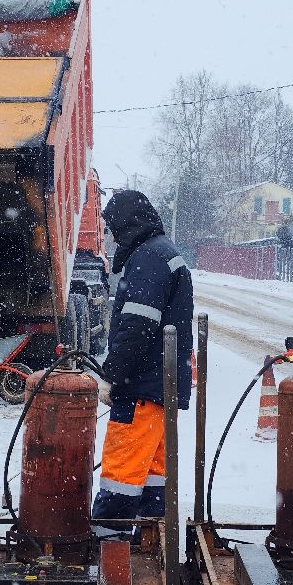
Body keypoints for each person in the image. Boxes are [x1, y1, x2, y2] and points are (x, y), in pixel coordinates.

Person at [91, 190, 194, 537]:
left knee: (121, 473)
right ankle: (150, 544)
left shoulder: (147, 258)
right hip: (160, 389)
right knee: (152, 473)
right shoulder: (164, 253)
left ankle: (110, 552)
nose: (112, 236)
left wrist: (112, 376)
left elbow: (137, 327)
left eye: (112, 228)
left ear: (126, 223)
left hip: (140, 390)